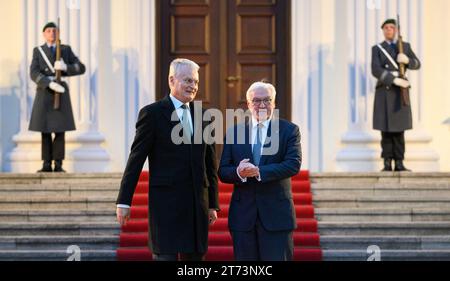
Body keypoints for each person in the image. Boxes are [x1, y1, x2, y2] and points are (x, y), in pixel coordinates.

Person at [116, 58, 219, 261]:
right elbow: (136, 158)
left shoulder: (205, 116)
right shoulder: (152, 114)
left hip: (197, 206)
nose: (193, 86)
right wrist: (124, 201)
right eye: (188, 80)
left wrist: (212, 203)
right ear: (172, 80)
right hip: (166, 207)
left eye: (196, 82)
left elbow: (209, 164)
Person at [218, 81, 301, 261]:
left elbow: (293, 164)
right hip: (243, 217)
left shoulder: (289, 130)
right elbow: (223, 171)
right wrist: (239, 172)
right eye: (256, 100)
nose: (262, 105)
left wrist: (258, 171)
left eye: (267, 100)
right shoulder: (234, 132)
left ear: (274, 103)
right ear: (248, 104)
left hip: (277, 216)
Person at [29, 22, 85, 172]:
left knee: (60, 129)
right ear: (44, 34)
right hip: (45, 91)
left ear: (58, 33)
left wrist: (67, 67)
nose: (52, 33)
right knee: (45, 128)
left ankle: (58, 164)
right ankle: (46, 164)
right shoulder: (38, 51)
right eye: (48, 31)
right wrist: (48, 83)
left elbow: (81, 67)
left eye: (54, 30)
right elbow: (33, 72)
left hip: (61, 90)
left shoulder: (65, 49)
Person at [371, 19, 421, 172]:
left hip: (400, 93)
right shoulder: (378, 48)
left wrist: (408, 60)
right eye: (386, 28)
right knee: (385, 130)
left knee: (399, 129)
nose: (388, 30)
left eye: (391, 28)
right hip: (385, 91)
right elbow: (376, 69)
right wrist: (394, 80)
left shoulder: (404, 46)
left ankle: (399, 162)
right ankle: (387, 162)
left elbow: (417, 64)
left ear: (396, 30)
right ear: (383, 31)